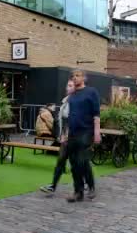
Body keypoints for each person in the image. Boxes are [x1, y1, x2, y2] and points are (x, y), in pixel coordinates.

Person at [65, 70, 100, 202]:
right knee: (74, 163)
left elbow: (96, 114)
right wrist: (66, 133)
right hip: (73, 133)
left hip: (86, 131)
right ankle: (78, 192)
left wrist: (96, 133)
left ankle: (91, 186)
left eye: (77, 76)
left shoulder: (91, 92)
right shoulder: (72, 95)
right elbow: (70, 116)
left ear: (83, 78)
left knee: (82, 160)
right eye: (73, 76)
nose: (74, 78)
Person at [40, 79, 75, 196]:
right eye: (67, 85)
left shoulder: (78, 102)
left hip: (76, 138)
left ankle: (87, 184)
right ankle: (53, 186)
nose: (67, 87)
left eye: (70, 86)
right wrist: (61, 135)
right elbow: (60, 121)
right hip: (66, 137)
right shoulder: (65, 101)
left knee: (79, 163)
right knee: (60, 162)